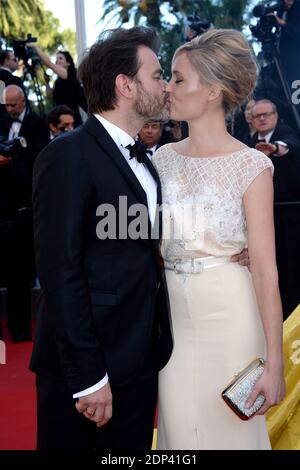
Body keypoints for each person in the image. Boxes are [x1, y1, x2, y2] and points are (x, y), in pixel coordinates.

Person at [29, 26, 173, 452]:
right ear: (125, 85)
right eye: (158, 75)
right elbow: (59, 270)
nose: (165, 85)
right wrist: (89, 376)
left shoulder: (146, 159)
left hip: (140, 359)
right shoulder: (68, 154)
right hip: (86, 372)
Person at [152, 29, 285, 450]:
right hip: (171, 319)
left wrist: (275, 362)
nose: (167, 88)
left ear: (212, 91)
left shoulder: (252, 166)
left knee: (229, 433)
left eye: (177, 78)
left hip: (230, 315)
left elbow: (265, 268)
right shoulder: (160, 160)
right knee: (177, 430)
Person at [0, 85, 50, 342]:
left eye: (13, 105)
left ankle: (20, 330)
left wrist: (13, 159)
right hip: (2, 204)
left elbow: (39, 157)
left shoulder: (38, 123)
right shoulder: (1, 121)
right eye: (6, 105)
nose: (9, 110)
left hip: (24, 206)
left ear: (23, 101)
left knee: (20, 273)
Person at [249, 99, 300, 318]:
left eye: (266, 114)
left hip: (289, 218)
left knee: (292, 270)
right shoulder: (248, 141)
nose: (262, 118)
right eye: (257, 116)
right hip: (261, 219)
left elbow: (290, 146)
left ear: (275, 115)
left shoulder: (286, 132)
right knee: (269, 269)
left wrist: (275, 148)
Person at [27, 46, 87, 127]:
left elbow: (49, 63)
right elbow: (50, 95)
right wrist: (47, 83)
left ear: (68, 63)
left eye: (60, 58)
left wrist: (36, 47)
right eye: (56, 59)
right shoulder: (58, 81)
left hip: (71, 120)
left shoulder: (71, 73)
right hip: (59, 120)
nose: (57, 60)